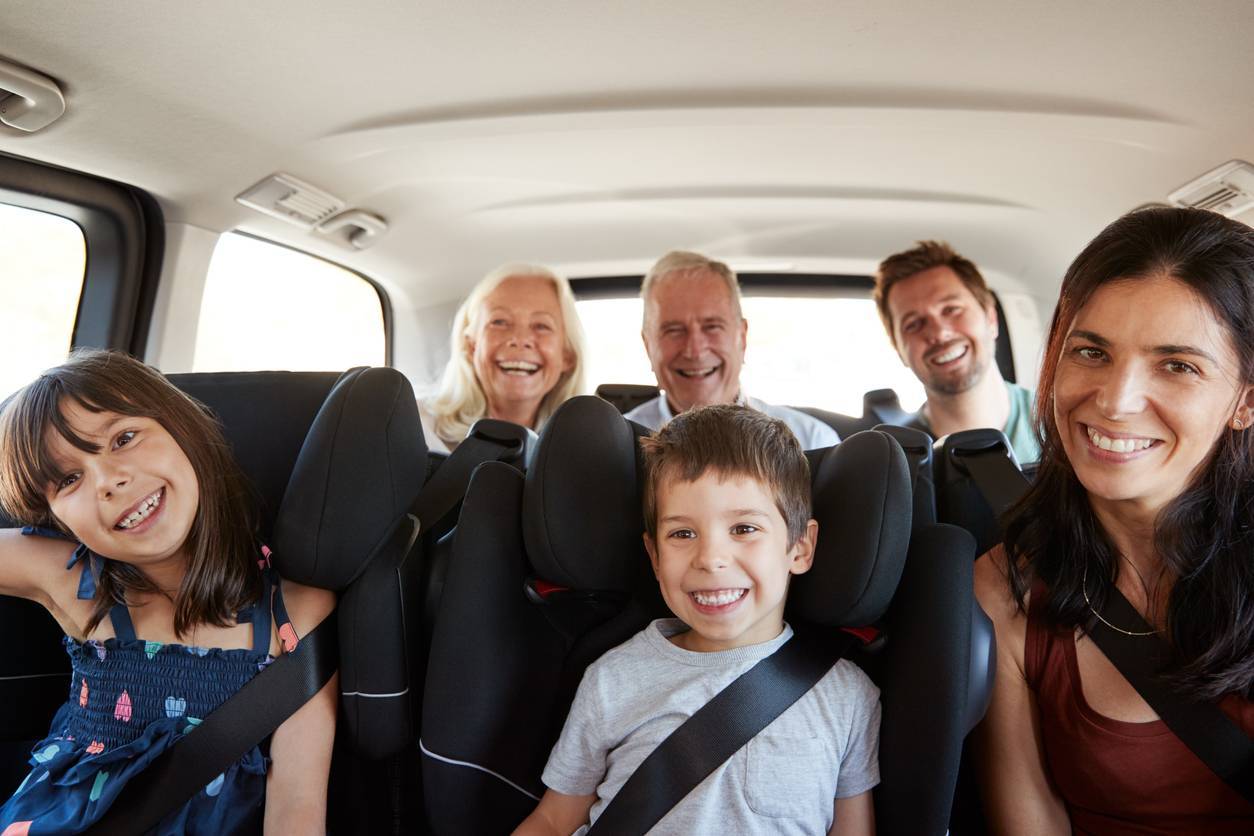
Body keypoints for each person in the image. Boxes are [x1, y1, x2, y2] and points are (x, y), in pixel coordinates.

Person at [973, 208, 1254, 834]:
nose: (1115, 400)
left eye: (1177, 365)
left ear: (1246, 399)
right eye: (1091, 351)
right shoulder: (1004, 587)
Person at [0, 350, 336, 835]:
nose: (108, 481)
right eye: (69, 479)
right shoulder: (76, 581)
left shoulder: (296, 615)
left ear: (182, 428)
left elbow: (297, 811)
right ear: (56, 520)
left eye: (124, 438)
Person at [515, 405, 879, 835]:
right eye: (682, 534)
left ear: (799, 547)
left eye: (744, 529)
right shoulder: (613, 679)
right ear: (653, 555)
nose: (710, 559)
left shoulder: (846, 696)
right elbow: (555, 822)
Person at [624, 251, 840, 450]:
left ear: (742, 337)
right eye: (673, 330)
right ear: (647, 345)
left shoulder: (812, 444)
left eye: (712, 327)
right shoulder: (617, 448)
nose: (695, 351)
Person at [874, 241, 1041, 463]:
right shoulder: (896, 462)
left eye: (952, 309)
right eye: (913, 324)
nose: (939, 333)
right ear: (899, 350)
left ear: (991, 319)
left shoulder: (1060, 428)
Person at [420, 263, 587, 453]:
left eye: (541, 325)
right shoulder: (418, 429)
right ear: (471, 346)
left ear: (567, 355)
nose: (520, 339)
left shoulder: (587, 447)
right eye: (499, 322)